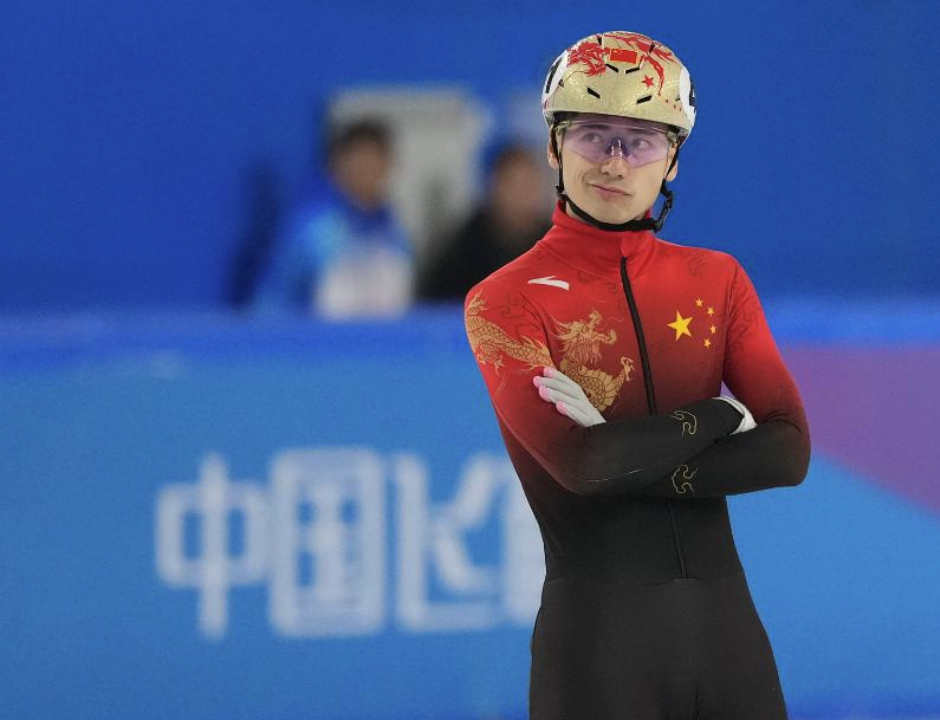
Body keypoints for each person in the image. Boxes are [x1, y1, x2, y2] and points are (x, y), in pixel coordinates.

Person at [464, 31, 810, 720]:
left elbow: (788, 449)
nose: (615, 163)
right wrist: (714, 419)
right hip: (598, 650)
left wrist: (635, 452)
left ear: (673, 161)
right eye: (594, 135)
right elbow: (584, 466)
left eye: (641, 140)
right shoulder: (506, 299)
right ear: (555, 147)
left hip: (730, 642)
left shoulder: (717, 280)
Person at [254, 119, 415, 319]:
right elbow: (271, 304)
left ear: (389, 164)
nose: (367, 170)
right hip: (321, 347)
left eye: (375, 159)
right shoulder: (313, 233)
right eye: (358, 161)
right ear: (336, 166)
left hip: (382, 347)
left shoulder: (396, 236)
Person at [418, 141, 552, 301]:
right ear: (495, 188)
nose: (523, 195)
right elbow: (434, 306)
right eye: (515, 185)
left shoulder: (555, 242)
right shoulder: (465, 246)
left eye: (530, 184)